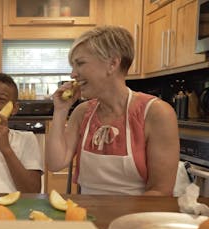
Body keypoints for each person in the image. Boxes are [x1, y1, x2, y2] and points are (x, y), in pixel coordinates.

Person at [46, 26, 179, 196]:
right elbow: (55, 163)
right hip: (87, 215)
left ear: (112, 64)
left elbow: (160, 191)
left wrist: (120, 220)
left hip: (136, 218)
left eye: (80, 63)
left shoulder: (157, 113)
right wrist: (60, 111)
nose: (73, 74)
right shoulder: (82, 112)